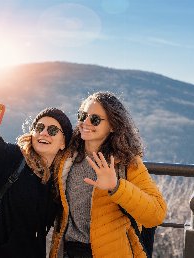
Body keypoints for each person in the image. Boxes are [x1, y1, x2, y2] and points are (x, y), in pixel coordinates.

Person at [49, 92, 167, 258]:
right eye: (82, 116)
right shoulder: (66, 156)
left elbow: (156, 214)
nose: (85, 123)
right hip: (69, 251)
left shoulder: (127, 163)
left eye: (95, 119)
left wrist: (116, 187)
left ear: (112, 126)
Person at [0, 94, 73, 258]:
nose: (44, 133)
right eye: (39, 127)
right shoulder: (14, 158)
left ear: (63, 142)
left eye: (53, 130)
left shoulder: (58, 178)